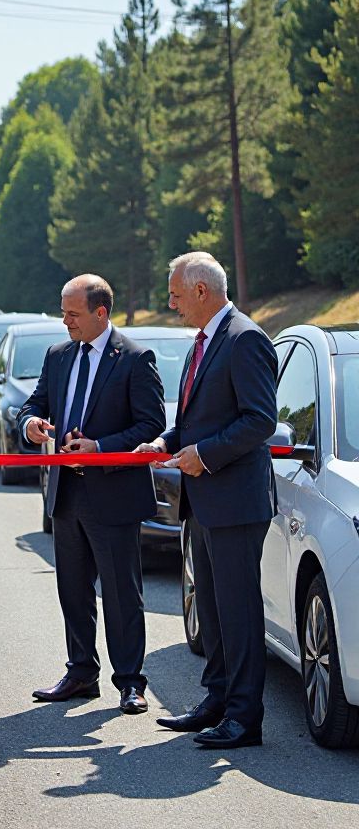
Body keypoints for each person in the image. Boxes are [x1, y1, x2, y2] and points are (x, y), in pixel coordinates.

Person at [136, 252, 276, 749]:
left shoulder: (244, 339)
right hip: (203, 499)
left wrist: (204, 455)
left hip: (234, 501)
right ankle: (216, 700)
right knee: (213, 611)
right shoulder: (206, 340)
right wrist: (169, 441)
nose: (169, 304)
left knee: (237, 612)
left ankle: (243, 718)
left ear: (200, 291)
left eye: (174, 295)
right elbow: (204, 417)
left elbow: (259, 420)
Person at [19, 274, 165, 715]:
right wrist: (31, 425)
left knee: (121, 593)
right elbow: (34, 403)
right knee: (73, 590)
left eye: (72, 313)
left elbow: (151, 425)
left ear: (100, 313)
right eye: (63, 312)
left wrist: (100, 448)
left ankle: (130, 682)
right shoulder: (58, 355)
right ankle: (81, 672)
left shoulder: (136, 359)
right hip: (67, 494)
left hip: (114, 494)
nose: (65, 321)